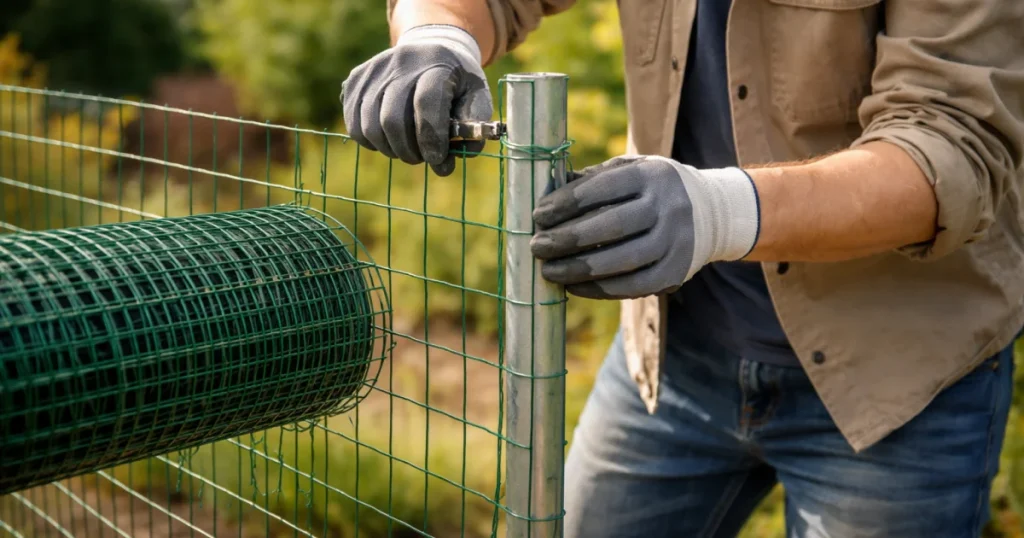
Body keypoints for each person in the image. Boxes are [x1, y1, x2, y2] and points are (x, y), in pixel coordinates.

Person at [340, 0, 1024, 535]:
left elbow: (951, 148)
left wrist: (717, 211)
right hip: (672, 357)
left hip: (898, 378)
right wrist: (439, 37)